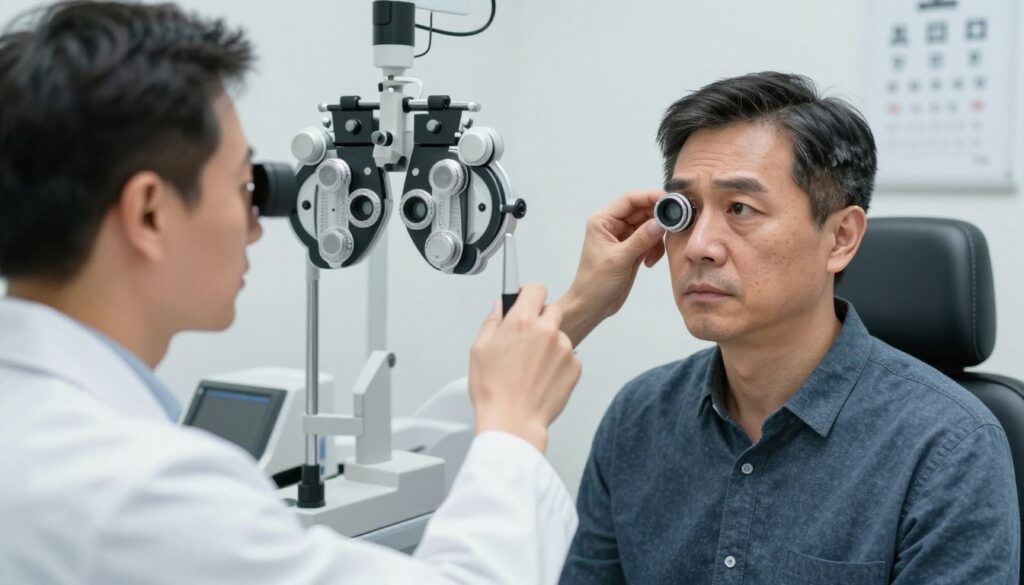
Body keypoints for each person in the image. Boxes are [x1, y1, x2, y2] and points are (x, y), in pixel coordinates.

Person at [0, 3, 583, 583]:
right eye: (243, 185)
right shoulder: (145, 494)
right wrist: (512, 430)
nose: (260, 222)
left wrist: (575, 309)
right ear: (150, 213)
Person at [555, 72, 1019, 584]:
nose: (698, 245)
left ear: (841, 237)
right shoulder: (637, 418)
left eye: (740, 208)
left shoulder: (948, 445)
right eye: (682, 211)